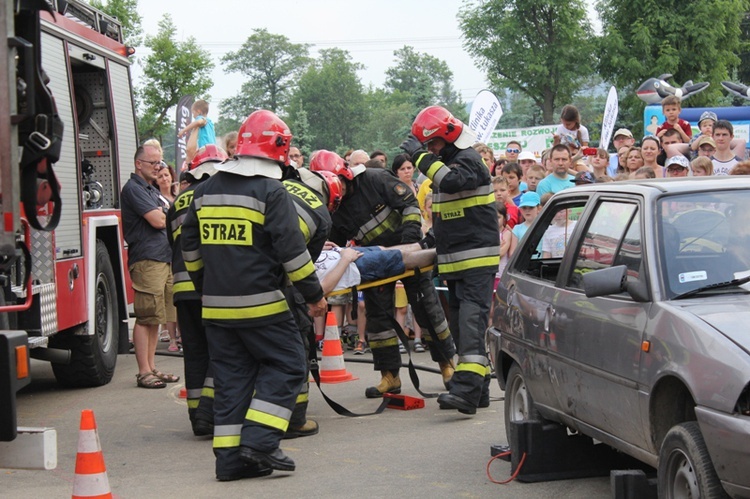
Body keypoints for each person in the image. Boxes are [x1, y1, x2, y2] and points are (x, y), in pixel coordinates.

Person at [181, 110, 327, 479]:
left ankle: (230, 462)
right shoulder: (271, 191)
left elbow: (190, 249)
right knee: (290, 365)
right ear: (279, 150)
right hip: (263, 305)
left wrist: (206, 289)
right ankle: (260, 441)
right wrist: (314, 295)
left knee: (232, 381)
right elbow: (292, 252)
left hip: (215, 310)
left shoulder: (205, 189)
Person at [311, 148, 457, 398]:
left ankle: (447, 365)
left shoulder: (375, 178)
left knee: (427, 309)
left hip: (409, 253)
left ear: (344, 176)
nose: (337, 192)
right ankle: (389, 376)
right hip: (376, 264)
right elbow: (336, 240)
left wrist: (409, 241)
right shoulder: (334, 207)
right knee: (378, 318)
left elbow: (409, 205)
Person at [401, 105, 499, 415]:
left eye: (432, 144)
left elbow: (453, 182)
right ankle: (478, 391)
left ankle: (466, 391)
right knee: (460, 328)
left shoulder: (468, 160)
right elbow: (452, 215)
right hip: (456, 264)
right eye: (425, 147)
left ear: (447, 136)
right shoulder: (450, 163)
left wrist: (419, 157)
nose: (429, 150)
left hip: (475, 263)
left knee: (470, 325)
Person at [167, 144, 227, 436]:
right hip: (210, 285)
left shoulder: (178, 201)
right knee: (221, 350)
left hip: (182, 287)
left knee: (194, 352)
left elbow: (173, 242)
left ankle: (197, 417)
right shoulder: (217, 195)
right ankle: (208, 410)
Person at [281, 158, 341, 440]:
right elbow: (307, 264)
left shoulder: (279, 188)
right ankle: (296, 417)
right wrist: (314, 298)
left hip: (251, 280)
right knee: (297, 348)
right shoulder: (322, 214)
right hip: (288, 287)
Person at [121, 143, 180, 389]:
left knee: (157, 317)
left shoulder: (150, 190)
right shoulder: (134, 189)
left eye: (160, 163)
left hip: (163, 258)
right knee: (146, 317)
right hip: (148, 259)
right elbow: (158, 220)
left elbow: (165, 216)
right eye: (153, 163)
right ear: (138, 164)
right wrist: (167, 217)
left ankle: (152, 367)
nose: (158, 167)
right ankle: (143, 372)